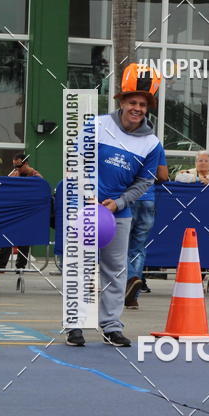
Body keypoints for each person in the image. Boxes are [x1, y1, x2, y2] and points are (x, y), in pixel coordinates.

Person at [66, 64, 162, 347]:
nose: (137, 108)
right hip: (85, 208)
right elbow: (75, 161)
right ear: (121, 101)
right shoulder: (96, 126)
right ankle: (76, 325)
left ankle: (111, 326)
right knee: (81, 267)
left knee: (116, 270)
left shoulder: (152, 143)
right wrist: (87, 195)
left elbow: (144, 182)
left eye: (142, 104)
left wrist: (118, 202)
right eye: (132, 102)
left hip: (119, 214)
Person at [124, 145, 169, 310]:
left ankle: (131, 279)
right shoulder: (155, 146)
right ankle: (133, 296)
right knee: (139, 248)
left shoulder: (124, 142)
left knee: (119, 245)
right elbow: (163, 175)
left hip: (127, 199)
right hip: (148, 199)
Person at [0, 153, 43, 273]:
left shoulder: (36, 176)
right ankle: (0, 266)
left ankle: (20, 266)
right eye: (14, 166)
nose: (16, 169)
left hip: (28, 213)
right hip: (14, 212)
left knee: (24, 240)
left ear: (25, 163)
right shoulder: (13, 175)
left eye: (18, 166)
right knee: (6, 237)